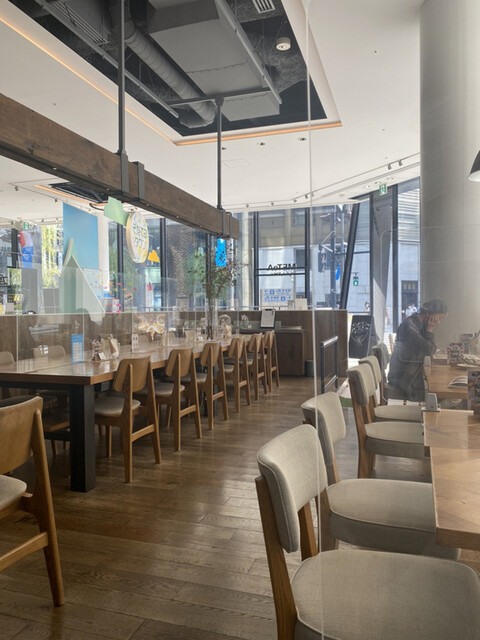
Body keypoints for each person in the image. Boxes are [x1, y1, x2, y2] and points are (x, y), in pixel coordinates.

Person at [388, 298, 448, 401]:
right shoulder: (409, 326)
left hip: (408, 373)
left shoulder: (417, 324)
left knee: (442, 387)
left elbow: (429, 349)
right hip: (403, 377)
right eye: (440, 318)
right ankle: (431, 411)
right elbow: (429, 350)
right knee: (443, 392)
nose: (438, 323)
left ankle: (435, 409)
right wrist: (429, 329)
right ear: (431, 314)